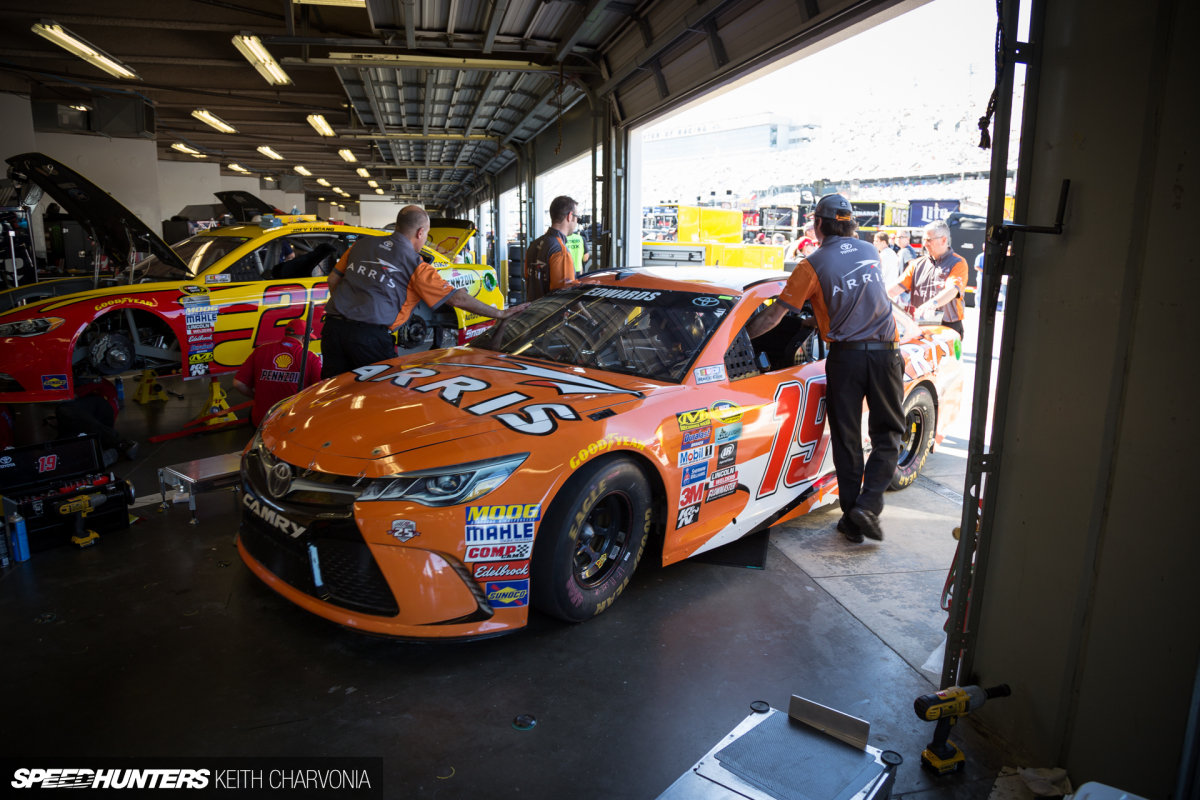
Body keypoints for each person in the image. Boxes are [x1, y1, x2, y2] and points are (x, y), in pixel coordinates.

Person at [746, 193, 903, 544]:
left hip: (845, 358)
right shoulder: (868, 251)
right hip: (885, 354)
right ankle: (866, 507)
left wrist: (738, 339)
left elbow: (774, 316)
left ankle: (853, 516)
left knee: (846, 440)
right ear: (850, 224)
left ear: (818, 224)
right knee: (888, 434)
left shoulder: (809, 265)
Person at [321, 205, 528, 379]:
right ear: (420, 233)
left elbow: (333, 280)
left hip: (332, 329)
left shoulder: (360, 245)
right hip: (369, 338)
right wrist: (501, 314)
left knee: (332, 393)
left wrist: (346, 305)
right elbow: (456, 298)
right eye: (426, 235)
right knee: (383, 397)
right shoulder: (415, 265)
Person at [233, 319, 324, 427]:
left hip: (262, 419)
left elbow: (238, 383)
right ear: (304, 339)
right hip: (293, 421)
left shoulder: (261, 350)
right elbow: (319, 391)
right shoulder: (310, 357)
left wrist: (257, 397)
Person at [888, 220, 969, 338]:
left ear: (943, 240)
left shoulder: (958, 262)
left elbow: (952, 289)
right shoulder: (917, 264)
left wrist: (933, 303)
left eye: (929, 240)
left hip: (947, 326)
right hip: (919, 325)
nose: (925, 244)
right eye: (924, 240)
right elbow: (894, 289)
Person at [55, 377, 138, 467]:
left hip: (103, 409)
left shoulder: (93, 380)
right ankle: (99, 454)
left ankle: (119, 443)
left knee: (63, 409)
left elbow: (66, 398)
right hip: (100, 421)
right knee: (63, 442)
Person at [525, 196, 581, 300]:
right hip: (551, 315)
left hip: (531, 314)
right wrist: (589, 316)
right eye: (577, 217)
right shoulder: (560, 250)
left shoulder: (533, 245)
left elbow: (528, 281)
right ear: (570, 216)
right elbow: (565, 296)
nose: (577, 222)